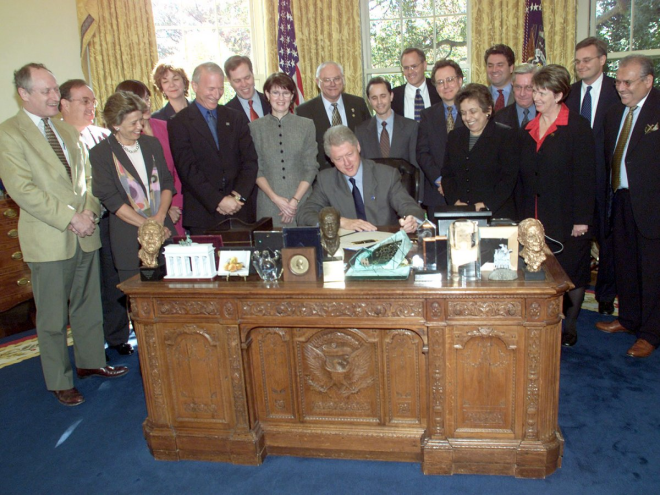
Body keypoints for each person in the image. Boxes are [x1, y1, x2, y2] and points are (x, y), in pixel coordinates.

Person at [0, 63, 128, 406]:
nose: (54, 96)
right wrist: (72, 218)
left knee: (88, 307)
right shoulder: (9, 133)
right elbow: (22, 190)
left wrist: (89, 211)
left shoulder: (65, 130)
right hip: (50, 236)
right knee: (54, 317)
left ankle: (90, 362)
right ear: (24, 94)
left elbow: (87, 180)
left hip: (85, 233)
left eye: (56, 89)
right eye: (46, 91)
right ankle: (59, 380)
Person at [517, 64, 596, 348]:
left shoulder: (576, 127)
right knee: (541, 270)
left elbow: (587, 176)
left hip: (567, 216)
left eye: (542, 92)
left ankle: (570, 325)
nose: (535, 97)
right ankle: (545, 322)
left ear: (560, 94)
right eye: (534, 91)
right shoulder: (528, 128)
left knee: (571, 272)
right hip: (534, 215)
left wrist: (582, 220)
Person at [60, 79, 132, 356]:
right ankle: (90, 346)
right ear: (64, 104)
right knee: (85, 289)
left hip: (107, 218)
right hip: (71, 224)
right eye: (84, 101)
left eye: (93, 101)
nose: (92, 106)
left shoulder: (103, 136)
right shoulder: (56, 137)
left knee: (112, 279)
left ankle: (117, 337)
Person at [595, 55, 660, 358]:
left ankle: (650, 333)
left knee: (651, 271)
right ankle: (629, 318)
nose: (620, 87)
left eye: (627, 82)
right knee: (625, 265)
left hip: (651, 205)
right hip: (619, 200)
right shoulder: (613, 114)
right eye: (618, 81)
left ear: (648, 81)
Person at [90, 91, 176, 281]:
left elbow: (167, 183)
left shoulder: (151, 144)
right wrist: (151, 227)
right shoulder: (101, 153)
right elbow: (111, 199)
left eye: (141, 120)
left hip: (165, 229)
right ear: (115, 124)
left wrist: (160, 218)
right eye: (133, 123)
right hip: (130, 237)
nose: (140, 127)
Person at [168, 62, 258, 234]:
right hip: (203, 214)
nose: (216, 95)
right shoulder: (179, 122)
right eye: (210, 89)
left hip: (239, 212)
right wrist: (218, 200)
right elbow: (187, 170)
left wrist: (236, 197)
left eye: (220, 88)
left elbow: (250, 162)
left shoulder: (236, 117)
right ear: (195, 86)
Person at [565, 37, 621, 316]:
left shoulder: (619, 91)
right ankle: (570, 300)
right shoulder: (568, 94)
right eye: (577, 61)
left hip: (609, 182)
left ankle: (606, 296)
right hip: (575, 184)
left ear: (602, 60)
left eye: (587, 59)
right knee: (577, 245)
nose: (581, 65)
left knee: (609, 242)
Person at [297, 126, 424, 232]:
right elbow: (304, 215)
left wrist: (411, 220)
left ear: (358, 147)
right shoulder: (326, 180)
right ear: (330, 159)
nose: (347, 163)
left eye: (349, 154)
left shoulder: (386, 175)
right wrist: (339, 222)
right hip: (344, 248)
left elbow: (409, 206)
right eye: (339, 159)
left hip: (383, 244)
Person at [248, 72, 318, 227]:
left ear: (292, 95)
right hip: (269, 204)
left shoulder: (306, 125)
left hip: (302, 203)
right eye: (275, 92)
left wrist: (294, 202)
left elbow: (311, 168)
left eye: (286, 93)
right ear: (267, 94)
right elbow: (256, 169)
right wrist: (276, 199)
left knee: (304, 250)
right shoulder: (255, 128)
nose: (281, 98)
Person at [115, 79, 183, 235]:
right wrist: (163, 212)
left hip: (176, 205)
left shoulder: (165, 126)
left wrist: (176, 205)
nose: (146, 104)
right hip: (145, 215)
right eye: (139, 99)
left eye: (147, 98)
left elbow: (176, 170)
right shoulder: (126, 136)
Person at [441, 83, 518, 219]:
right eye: (463, 113)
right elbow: (447, 175)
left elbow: (508, 179)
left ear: (488, 110)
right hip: (462, 214)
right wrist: (456, 202)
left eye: (473, 111)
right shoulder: (455, 136)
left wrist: (486, 205)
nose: (468, 118)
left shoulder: (505, 136)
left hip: (496, 214)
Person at [295, 61, 370, 170]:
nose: (332, 84)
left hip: (357, 171)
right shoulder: (304, 111)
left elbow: (368, 140)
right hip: (322, 177)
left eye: (336, 79)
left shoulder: (358, 104)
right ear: (317, 82)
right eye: (327, 80)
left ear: (343, 79)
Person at [355, 77, 420, 201]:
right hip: (372, 198)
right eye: (374, 98)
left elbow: (415, 167)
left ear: (391, 96)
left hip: (403, 196)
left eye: (383, 96)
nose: (379, 102)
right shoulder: (361, 131)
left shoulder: (411, 127)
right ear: (369, 100)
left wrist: (418, 199)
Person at [416, 59, 464, 216]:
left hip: (466, 192)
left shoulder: (473, 113)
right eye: (440, 82)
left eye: (450, 80)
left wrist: (454, 185)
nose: (446, 86)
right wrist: (441, 181)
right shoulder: (427, 115)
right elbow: (422, 153)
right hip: (437, 195)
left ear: (460, 80)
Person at [391, 48, 441, 121]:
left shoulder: (438, 89)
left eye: (414, 66)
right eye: (406, 68)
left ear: (424, 65)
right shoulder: (393, 96)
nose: (410, 71)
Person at [59, 79, 109, 148]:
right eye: (85, 101)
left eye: (94, 102)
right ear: (66, 105)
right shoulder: (53, 138)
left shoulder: (105, 137)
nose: (92, 107)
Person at [224, 55, 272, 121]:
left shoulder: (272, 102)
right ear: (229, 81)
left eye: (247, 78)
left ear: (252, 73)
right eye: (237, 80)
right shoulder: (226, 112)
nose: (244, 84)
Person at [494, 64, 538, 130]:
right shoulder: (499, 118)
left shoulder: (547, 116)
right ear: (512, 86)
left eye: (528, 87)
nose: (522, 93)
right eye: (518, 87)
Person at [485, 44, 516, 112]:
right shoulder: (480, 96)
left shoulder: (520, 94)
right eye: (490, 66)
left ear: (511, 68)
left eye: (500, 65)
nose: (494, 70)